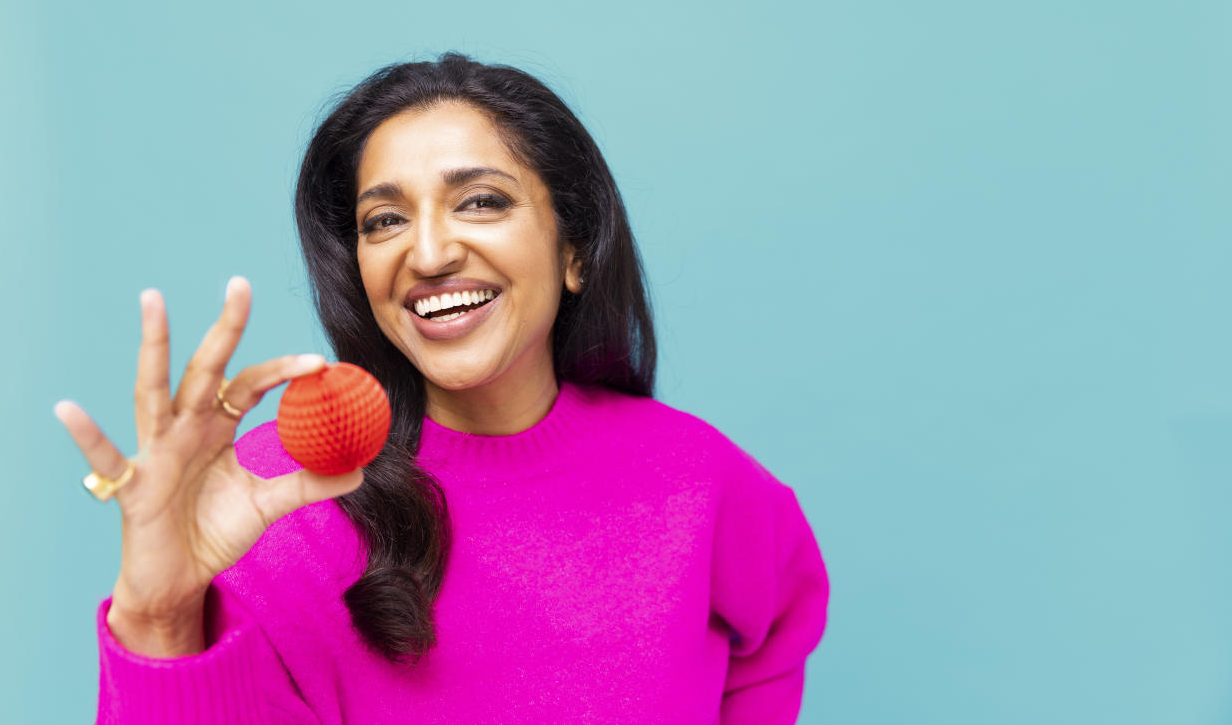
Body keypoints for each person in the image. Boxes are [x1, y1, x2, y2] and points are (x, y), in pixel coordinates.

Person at [56, 52, 829, 723]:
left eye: (481, 201)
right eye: (383, 220)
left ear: (575, 250)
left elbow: (778, 634)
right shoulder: (272, 505)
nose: (427, 253)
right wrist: (159, 620)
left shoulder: (699, 479)